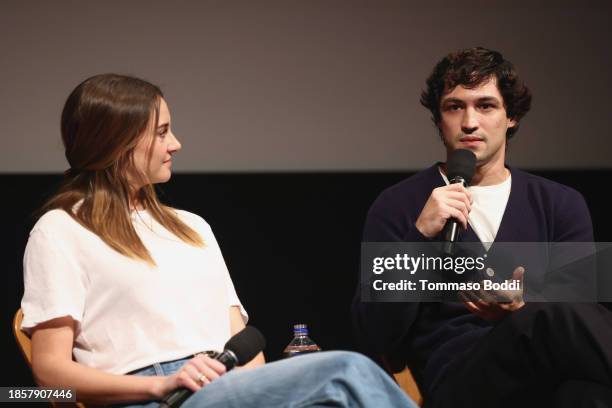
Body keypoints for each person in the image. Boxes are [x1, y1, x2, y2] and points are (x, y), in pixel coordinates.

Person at [20, 74, 417, 408]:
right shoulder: (62, 230)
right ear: (115, 144)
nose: (175, 144)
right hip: (152, 396)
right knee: (346, 373)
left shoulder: (191, 226)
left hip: (223, 388)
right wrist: (156, 386)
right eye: (161, 133)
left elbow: (243, 348)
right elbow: (50, 375)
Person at [352, 47, 612, 407]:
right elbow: (375, 336)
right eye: (455, 107)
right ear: (438, 120)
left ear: (512, 117)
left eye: (486, 106)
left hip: (549, 379)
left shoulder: (560, 203)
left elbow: (584, 318)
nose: (469, 122)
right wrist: (420, 238)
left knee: (590, 395)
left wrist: (520, 308)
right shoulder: (399, 205)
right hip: (462, 381)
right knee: (552, 313)